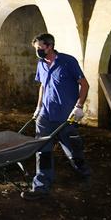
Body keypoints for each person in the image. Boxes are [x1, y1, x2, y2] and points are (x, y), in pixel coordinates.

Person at [22, 33, 91, 201]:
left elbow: (85, 84)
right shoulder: (41, 64)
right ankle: (41, 186)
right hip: (45, 116)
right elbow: (43, 86)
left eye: (40, 48)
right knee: (43, 151)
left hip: (66, 116)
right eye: (36, 49)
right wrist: (38, 107)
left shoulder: (68, 61)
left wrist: (79, 106)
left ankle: (82, 169)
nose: (37, 52)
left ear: (49, 46)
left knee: (73, 148)